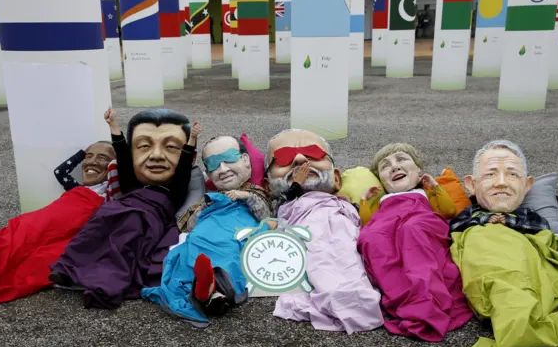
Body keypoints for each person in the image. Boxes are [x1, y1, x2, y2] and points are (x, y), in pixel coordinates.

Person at [450, 140, 558, 347]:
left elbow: (547, 235)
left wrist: (510, 222)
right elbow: (455, 229)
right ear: (472, 184)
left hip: (523, 252)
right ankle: (516, 317)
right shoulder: (470, 213)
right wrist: (485, 222)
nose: (501, 183)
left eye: (512, 175)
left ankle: (523, 319)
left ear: (528, 185)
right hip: (485, 247)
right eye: (490, 174)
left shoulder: (529, 215)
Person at [49, 108, 201, 310]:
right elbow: (122, 155)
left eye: (171, 147)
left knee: (125, 239)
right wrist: (113, 126)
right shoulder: (131, 183)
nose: (156, 156)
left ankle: (104, 288)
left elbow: (183, 165)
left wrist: (192, 139)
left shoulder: (176, 188)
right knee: (95, 226)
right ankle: (67, 269)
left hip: (148, 216)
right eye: (144, 146)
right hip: (122, 208)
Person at [0, 142, 119, 318]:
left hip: (61, 235)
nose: (93, 162)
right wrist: (84, 154)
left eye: (102, 158)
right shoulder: (76, 187)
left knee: (29, 267)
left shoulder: (112, 197)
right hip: (33, 225)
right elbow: (60, 171)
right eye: (90, 156)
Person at [142, 135, 272, 326]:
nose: (223, 169)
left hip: (233, 232)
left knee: (229, 254)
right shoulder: (208, 198)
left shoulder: (256, 191)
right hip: (205, 231)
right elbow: (188, 224)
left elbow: (266, 213)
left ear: (245, 160)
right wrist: (206, 207)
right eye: (214, 165)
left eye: (229, 159)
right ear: (208, 173)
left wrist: (245, 196)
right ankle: (209, 292)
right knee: (191, 248)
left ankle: (211, 289)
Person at [266, 129, 384, 334]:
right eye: (284, 158)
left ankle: (354, 293)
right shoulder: (282, 204)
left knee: (347, 253)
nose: (300, 159)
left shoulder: (340, 203)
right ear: (267, 186)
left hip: (338, 221)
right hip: (302, 226)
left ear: (336, 179)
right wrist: (296, 185)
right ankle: (336, 293)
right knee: (319, 256)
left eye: (313, 155)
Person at [356, 143, 472, 342]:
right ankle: (403, 298)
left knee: (413, 229)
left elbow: (448, 211)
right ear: (381, 181)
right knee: (371, 237)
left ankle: (427, 300)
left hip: (421, 222)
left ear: (419, 171)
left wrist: (435, 187)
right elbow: (367, 223)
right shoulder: (383, 200)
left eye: (402, 160)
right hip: (387, 225)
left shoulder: (424, 193)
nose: (394, 167)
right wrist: (365, 201)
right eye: (385, 166)